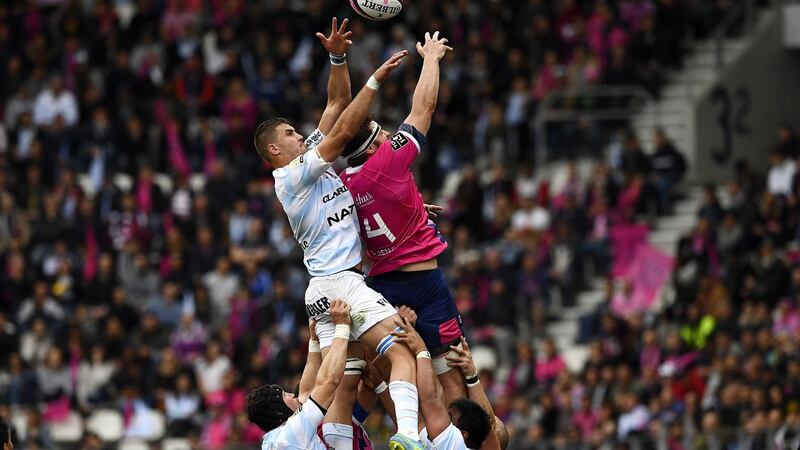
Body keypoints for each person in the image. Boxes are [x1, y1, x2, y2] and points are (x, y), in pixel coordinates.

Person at [252, 19, 425, 450]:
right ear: (276, 150)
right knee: (401, 351)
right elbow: (346, 130)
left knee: (344, 385)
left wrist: (337, 57)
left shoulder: (307, 158)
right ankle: (409, 437)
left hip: (322, 290)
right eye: (291, 134)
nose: (300, 135)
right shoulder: (290, 177)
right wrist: (376, 78)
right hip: (342, 280)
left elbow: (335, 104)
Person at [338, 32, 468, 402]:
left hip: (378, 289)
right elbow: (422, 110)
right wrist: (431, 59)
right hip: (423, 285)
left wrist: (410, 206)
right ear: (373, 144)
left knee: (393, 379)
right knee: (453, 380)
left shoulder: (342, 182)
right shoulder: (387, 160)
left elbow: (369, 210)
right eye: (381, 133)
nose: (388, 135)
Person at [246, 299, 351, 450]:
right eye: (285, 396)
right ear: (278, 410)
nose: (292, 395)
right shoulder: (292, 433)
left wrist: (314, 341)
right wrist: (342, 327)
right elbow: (329, 381)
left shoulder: (272, 441)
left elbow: (306, 393)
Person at [391, 315, 504, 450]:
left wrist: (421, 350)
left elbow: (430, 400)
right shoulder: (433, 441)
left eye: (450, 417)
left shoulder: (451, 444)